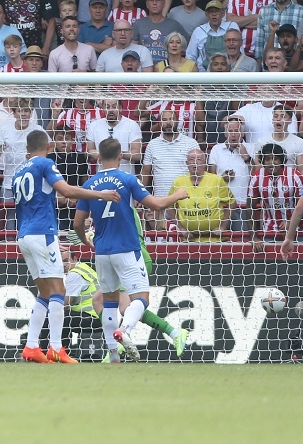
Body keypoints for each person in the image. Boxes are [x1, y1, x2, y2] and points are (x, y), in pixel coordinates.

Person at [74, 138, 188, 363]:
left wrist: (86, 242)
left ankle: (114, 354)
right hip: (127, 249)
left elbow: (78, 223)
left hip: (102, 252)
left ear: (98, 157)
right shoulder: (127, 179)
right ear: (120, 157)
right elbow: (155, 205)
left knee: (107, 302)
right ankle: (125, 331)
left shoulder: (89, 184)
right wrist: (177, 195)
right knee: (140, 300)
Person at [17, 130, 121, 364]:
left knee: (45, 292)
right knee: (58, 291)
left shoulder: (18, 171)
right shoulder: (45, 163)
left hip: (23, 235)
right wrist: (99, 195)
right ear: (49, 146)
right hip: (43, 232)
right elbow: (65, 190)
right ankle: (56, 348)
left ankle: (32, 346)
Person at [140, 109, 199, 229]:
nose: (168, 123)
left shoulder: (191, 143)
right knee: (161, 241)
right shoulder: (152, 144)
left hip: (185, 202)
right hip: (160, 203)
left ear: (177, 121)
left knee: (186, 239)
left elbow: (199, 172)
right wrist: (139, 195)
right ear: (160, 123)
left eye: (171, 119)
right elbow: (146, 172)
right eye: (164, 120)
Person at [167, 149, 235, 242]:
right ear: (186, 163)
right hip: (189, 240)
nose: (195, 162)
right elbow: (169, 206)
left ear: (205, 163)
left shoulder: (216, 180)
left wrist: (222, 226)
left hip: (215, 240)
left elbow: (232, 202)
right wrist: (181, 227)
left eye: (199, 159)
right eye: (191, 159)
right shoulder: (178, 182)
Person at [248, 143, 303, 252]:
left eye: (275, 159)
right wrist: (254, 237)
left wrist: (290, 222)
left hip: (296, 231)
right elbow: (250, 208)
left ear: (281, 160)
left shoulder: (294, 176)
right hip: (269, 231)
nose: (271, 163)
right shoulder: (256, 178)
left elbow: (302, 205)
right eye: (268, 159)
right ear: (262, 161)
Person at [207, 119, 257, 231]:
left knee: (241, 243)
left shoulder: (252, 148)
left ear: (243, 134)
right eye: (230, 131)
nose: (233, 134)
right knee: (220, 243)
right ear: (225, 134)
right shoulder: (216, 149)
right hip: (221, 205)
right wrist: (221, 179)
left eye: (237, 131)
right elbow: (210, 178)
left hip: (243, 204)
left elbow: (257, 175)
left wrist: (246, 157)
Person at [85, 98, 142, 173]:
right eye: (107, 107)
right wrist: (92, 153)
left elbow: (138, 155)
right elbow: (87, 154)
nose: (111, 110)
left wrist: (115, 154)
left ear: (120, 108)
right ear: (102, 109)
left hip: (125, 178)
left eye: (114, 107)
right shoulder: (94, 125)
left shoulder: (132, 125)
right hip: (102, 179)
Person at [186, 1, 241, 71]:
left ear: (223, 13)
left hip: (230, 72)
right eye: (211, 12)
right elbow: (190, 57)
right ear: (206, 15)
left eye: (217, 11)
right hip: (204, 74)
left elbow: (240, 51)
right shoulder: (199, 31)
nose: (214, 14)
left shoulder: (231, 26)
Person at [130, 0, 187, 65]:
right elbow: (133, 48)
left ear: (163, 4)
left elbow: (188, 43)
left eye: (158, 0)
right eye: (151, 1)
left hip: (167, 69)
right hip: (144, 68)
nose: (154, 3)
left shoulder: (174, 25)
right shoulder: (138, 24)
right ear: (147, 4)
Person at [256, 104, 303, 175]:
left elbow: (302, 172)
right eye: (275, 116)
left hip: (290, 184)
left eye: (283, 116)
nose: (278, 119)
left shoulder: (299, 142)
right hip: (267, 185)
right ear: (272, 120)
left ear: (290, 121)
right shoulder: (261, 142)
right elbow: (258, 171)